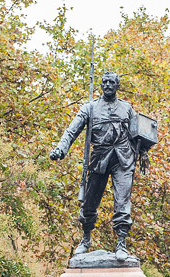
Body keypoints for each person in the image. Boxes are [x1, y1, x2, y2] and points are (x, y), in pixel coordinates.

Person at [50, 72, 138, 261]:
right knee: (90, 201)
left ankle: (121, 243)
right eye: (104, 82)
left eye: (111, 82)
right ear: (100, 85)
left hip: (122, 159)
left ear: (117, 85)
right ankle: (86, 238)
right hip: (99, 158)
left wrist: (143, 150)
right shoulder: (89, 108)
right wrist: (60, 149)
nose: (107, 85)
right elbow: (71, 131)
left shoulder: (126, 108)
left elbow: (138, 133)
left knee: (122, 200)